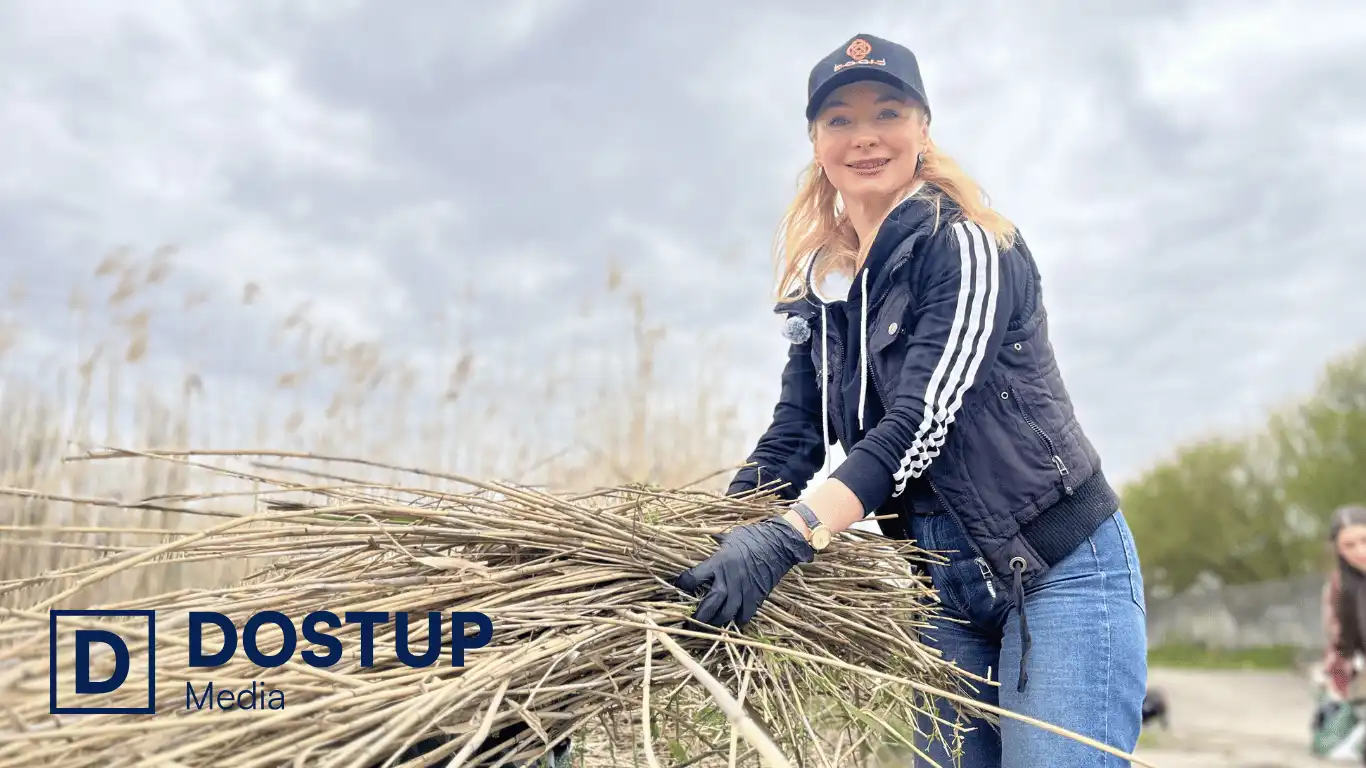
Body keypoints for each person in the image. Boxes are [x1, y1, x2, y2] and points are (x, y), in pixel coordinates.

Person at [674, 33, 1147, 766]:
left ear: (922, 128)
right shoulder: (825, 296)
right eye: (840, 119)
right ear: (815, 140)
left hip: (1057, 573)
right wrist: (714, 540)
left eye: (887, 112)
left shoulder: (973, 247)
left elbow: (918, 427)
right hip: (939, 592)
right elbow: (791, 442)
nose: (865, 137)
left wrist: (788, 539)